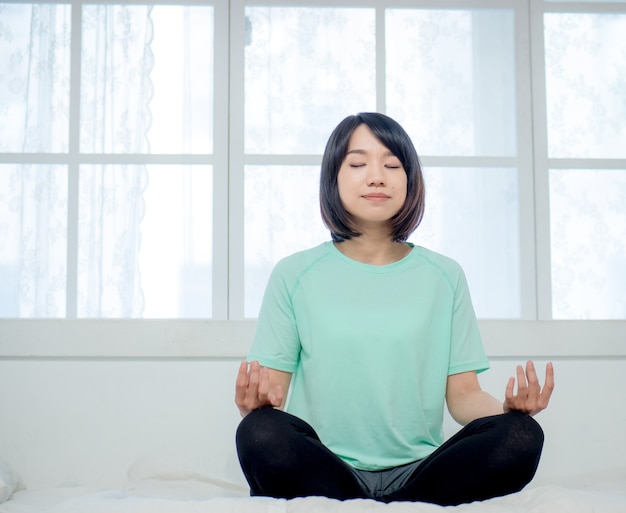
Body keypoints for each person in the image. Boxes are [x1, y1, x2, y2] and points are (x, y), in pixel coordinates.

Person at [234, 112, 554, 506]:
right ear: (333, 177)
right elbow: (273, 396)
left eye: (391, 165)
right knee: (259, 432)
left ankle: (399, 503)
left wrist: (505, 414)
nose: (376, 177)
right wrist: (255, 407)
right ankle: (368, 502)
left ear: (410, 179)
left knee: (522, 435)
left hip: (422, 471)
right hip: (328, 467)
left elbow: (464, 395)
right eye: (357, 164)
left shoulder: (445, 276)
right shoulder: (295, 273)